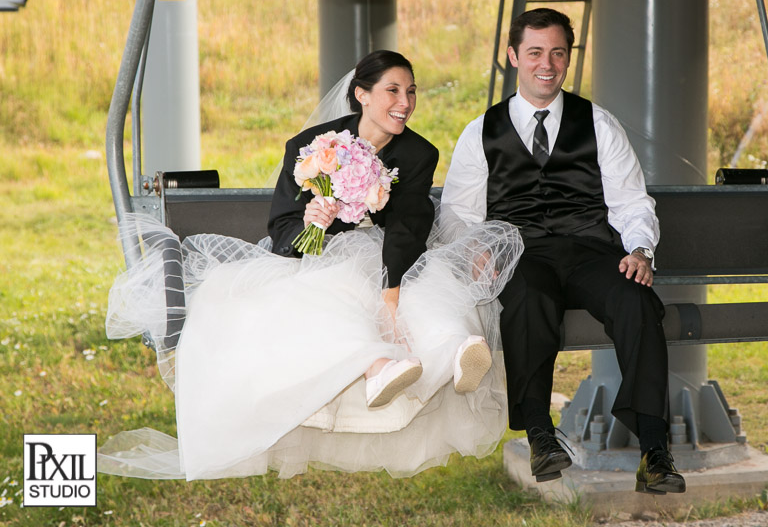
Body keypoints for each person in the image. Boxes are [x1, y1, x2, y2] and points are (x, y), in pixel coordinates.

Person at [100, 50, 523, 481]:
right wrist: (312, 221)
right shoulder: (315, 149)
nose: (405, 102)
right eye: (393, 90)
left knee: (424, 284)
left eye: (411, 92)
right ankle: (379, 365)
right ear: (361, 95)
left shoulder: (417, 153)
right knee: (337, 289)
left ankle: (455, 349)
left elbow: (408, 225)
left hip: (392, 253)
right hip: (320, 258)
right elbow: (282, 229)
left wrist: (391, 288)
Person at [441, 8, 686, 493]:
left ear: (568, 58)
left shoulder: (598, 123)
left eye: (557, 52)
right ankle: (539, 434)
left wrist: (639, 249)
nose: (546, 64)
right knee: (528, 298)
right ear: (513, 57)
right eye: (534, 52)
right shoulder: (482, 131)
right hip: (523, 252)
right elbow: (457, 212)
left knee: (636, 298)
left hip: (588, 250)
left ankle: (654, 450)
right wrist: (475, 247)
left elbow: (631, 200)